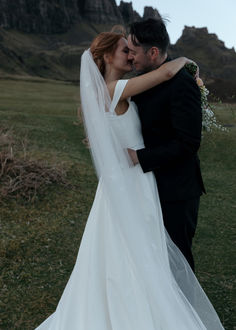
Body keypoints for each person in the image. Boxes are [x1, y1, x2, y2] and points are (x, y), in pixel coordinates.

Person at [35, 30, 224, 329]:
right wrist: (185, 60)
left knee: (130, 251)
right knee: (134, 251)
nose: (131, 55)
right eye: (125, 50)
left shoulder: (115, 90)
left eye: (132, 50)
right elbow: (163, 75)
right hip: (132, 183)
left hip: (128, 182)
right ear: (108, 56)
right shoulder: (114, 89)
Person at [127, 18, 206, 271]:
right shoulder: (141, 81)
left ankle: (184, 312)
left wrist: (142, 157)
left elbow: (188, 143)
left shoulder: (182, 85)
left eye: (134, 51)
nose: (130, 58)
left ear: (152, 52)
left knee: (178, 261)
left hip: (177, 191)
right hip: (147, 187)